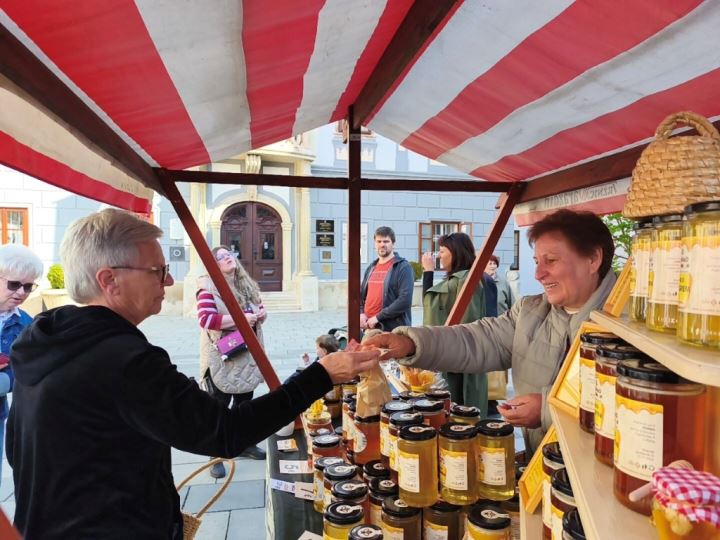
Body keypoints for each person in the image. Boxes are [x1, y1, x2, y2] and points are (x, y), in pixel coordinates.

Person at [6, 209, 379, 540]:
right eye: (158, 271)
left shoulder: (49, 340)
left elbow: (19, 450)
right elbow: (226, 432)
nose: (168, 282)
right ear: (110, 280)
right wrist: (321, 374)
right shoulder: (121, 359)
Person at [365, 209, 616, 454]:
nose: (539, 274)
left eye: (551, 260)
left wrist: (548, 410)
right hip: (540, 465)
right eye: (536, 262)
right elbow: (477, 339)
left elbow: (626, 407)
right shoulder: (531, 311)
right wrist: (410, 343)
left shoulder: (626, 327)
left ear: (593, 259)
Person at [197, 246, 268, 476]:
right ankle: (215, 453)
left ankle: (244, 444)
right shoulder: (207, 288)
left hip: (247, 354)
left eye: (229, 255)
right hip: (223, 355)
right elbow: (206, 319)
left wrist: (261, 315)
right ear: (213, 265)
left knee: (244, 403)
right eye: (221, 257)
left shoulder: (245, 285)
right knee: (218, 406)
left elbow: (258, 308)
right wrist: (241, 318)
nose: (228, 258)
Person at [420, 233, 494, 416]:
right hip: (456, 359)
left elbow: (467, 321)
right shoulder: (462, 279)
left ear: (456, 252)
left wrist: (428, 272)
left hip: (460, 362)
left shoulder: (465, 281)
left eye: (442, 251)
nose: (439, 256)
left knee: (462, 414)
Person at [0, 244, 42, 487]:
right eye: (14, 284)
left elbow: (33, 369)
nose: (21, 293)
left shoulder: (27, 324)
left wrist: (5, 381)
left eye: (27, 287)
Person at [360, 226, 414, 332]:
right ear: (375, 243)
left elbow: (405, 300)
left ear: (393, 244)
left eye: (386, 241)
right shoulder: (371, 268)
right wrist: (361, 313)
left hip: (391, 329)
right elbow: (361, 296)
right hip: (369, 327)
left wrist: (378, 317)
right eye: (379, 241)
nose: (382, 245)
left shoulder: (403, 267)